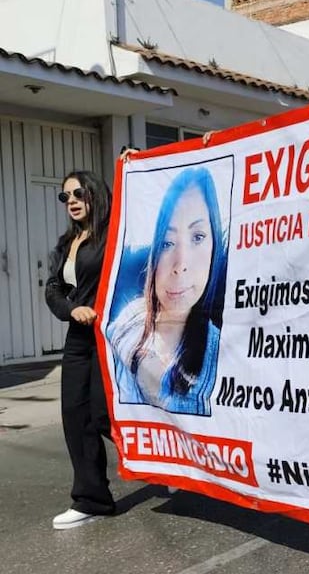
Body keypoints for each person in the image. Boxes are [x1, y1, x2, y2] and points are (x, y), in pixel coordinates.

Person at [108, 166, 227, 416]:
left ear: (214, 244)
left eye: (198, 237)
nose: (180, 264)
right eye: (167, 242)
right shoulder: (127, 323)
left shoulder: (222, 354)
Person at [45, 170, 116, 529]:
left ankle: (166, 461)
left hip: (111, 336)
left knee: (106, 414)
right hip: (78, 337)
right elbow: (53, 289)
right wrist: (72, 309)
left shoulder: (114, 233)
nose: (71, 200)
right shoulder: (65, 244)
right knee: (76, 416)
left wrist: (131, 163)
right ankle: (92, 499)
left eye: (78, 193)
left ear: (95, 194)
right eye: (65, 197)